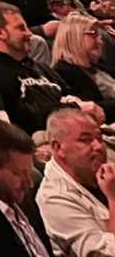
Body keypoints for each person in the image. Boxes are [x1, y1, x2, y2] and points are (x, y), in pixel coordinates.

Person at [0, 2, 100, 134]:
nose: (30, 33)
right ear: (0, 33)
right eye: (21, 28)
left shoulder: (42, 68)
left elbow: (75, 97)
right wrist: (73, 107)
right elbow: (25, 118)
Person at [37, 107, 115, 257]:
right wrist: (113, 198)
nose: (98, 147)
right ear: (58, 148)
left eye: (99, 138)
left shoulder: (103, 172)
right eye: (85, 140)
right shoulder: (54, 199)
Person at [53, 13, 115, 112]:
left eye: (99, 36)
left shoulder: (98, 66)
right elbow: (91, 109)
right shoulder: (64, 72)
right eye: (93, 34)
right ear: (74, 37)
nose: (100, 41)